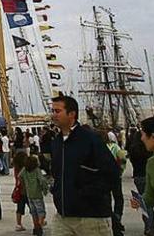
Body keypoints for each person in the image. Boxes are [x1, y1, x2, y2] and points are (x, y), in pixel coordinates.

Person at [49, 95, 119, 235]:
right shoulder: (57, 142)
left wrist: (86, 193)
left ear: (72, 114)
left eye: (57, 111)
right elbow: (57, 172)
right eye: (53, 111)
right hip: (64, 215)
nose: (53, 115)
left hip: (90, 216)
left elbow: (112, 173)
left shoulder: (89, 140)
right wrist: (56, 191)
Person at [126, 128, 154, 236]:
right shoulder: (150, 150)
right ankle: (150, 227)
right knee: (150, 203)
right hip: (149, 176)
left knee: (144, 203)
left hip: (138, 176)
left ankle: (147, 226)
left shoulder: (133, 149)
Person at [104, 131, 127, 236]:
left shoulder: (101, 147)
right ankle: (117, 217)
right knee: (118, 197)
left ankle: (111, 218)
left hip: (105, 177)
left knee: (107, 198)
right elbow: (123, 159)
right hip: (116, 176)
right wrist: (120, 171)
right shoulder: (116, 147)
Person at [21, 155, 49, 236]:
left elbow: (20, 176)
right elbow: (42, 180)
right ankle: (40, 224)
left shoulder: (24, 170)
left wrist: (24, 186)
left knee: (33, 212)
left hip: (29, 194)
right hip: (37, 194)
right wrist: (45, 189)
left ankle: (35, 227)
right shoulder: (37, 170)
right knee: (41, 211)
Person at [12, 150, 29, 232]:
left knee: (19, 209)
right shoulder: (26, 169)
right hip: (27, 190)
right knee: (33, 208)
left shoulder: (16, 168)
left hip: (19, 191)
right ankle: (38, 222)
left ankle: (18, 224)